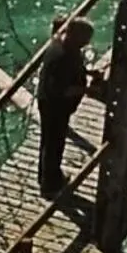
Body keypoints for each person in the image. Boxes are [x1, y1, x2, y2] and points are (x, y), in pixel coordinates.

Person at [36, 18, 95, 199]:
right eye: (85, 38)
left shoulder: (65, 46)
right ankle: (50, 186)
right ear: (75, 35)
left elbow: (72, 71)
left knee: (49, 141)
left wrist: (87, 73)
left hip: (51, 102)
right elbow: (62, 89)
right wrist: (86, 90)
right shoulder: (62, 56)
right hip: (54, 105)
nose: (87, 43)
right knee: (54, 144)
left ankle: (46, 176)